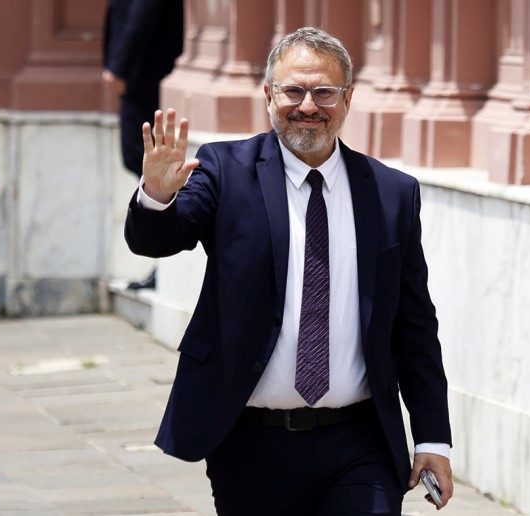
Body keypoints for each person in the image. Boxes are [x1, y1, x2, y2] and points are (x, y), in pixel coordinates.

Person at [124, 27, 453, 515]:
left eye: (324, 92)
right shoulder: (225, 169)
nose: (308, 106)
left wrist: (433, 438)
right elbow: (157, 240)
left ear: (347, 98)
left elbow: (415, 326)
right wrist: (156, 196)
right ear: (268, 95)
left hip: (360, 442)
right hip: (252, 443)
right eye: (293, 91)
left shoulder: (392, 193)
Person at [102, 0, 184, 177]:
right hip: (144, 73)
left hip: (144, 74)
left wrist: (119, 68)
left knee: (137, 153)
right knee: (140, 154)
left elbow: (142, 13)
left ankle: (164, 194)